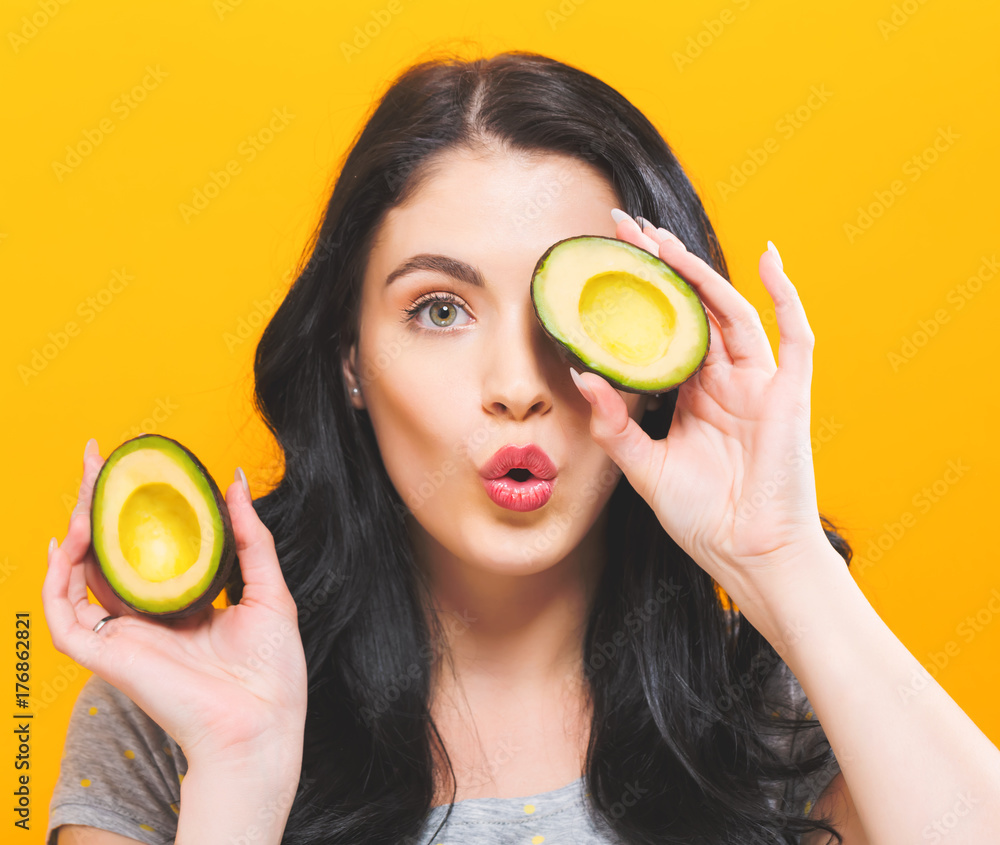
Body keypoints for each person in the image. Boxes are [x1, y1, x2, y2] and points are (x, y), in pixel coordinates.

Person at [42, 50, 1000, 845]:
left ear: (656, 354)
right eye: (441, 309)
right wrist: (240, 778)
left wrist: (782, 562)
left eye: (567, 312)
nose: (516, 384)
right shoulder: (178, 703)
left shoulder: (782, 710)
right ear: (350, 364)